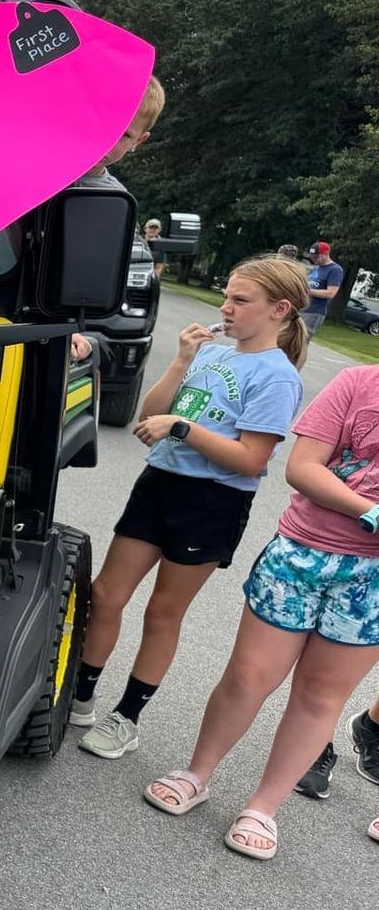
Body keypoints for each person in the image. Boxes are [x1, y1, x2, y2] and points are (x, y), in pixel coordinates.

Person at [71, 256, 309, 760]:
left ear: (279, 310)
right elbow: (149, 415)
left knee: (163, 611)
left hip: (213, 502)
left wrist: (184, 428)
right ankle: (80, 694)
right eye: (226, 296)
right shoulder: (210, 354)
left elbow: (250, 460)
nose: (226, 308)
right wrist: (180, 361)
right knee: (107, 593)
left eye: (240, 300)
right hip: (161, 483)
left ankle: (127, 717)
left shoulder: (278, 377)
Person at [140, 364, 379, 860]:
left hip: (372, 581)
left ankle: (263, 808)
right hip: (301, 553)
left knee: (321, 694)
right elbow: (303, 467)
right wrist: (369, 511)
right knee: (248, 675)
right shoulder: (357, 382)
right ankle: (197, 773)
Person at [71, 76, 166, 365]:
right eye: (103, 122)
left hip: (53, 326)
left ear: (140, 141)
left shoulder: (116, 203)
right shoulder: (24, 165)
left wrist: (85, 335)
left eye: (124, 135)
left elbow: (102, 285)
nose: (108, 138)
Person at [301, 240, 342, 338]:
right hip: (303, 308)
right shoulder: (315, 268)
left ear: (325, 254)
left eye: (316, 256)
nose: (313, 259)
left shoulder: (335, 269)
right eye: (312, 256)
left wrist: (307, 291)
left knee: (302, 341)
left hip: (314, 311)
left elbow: (330, 293)